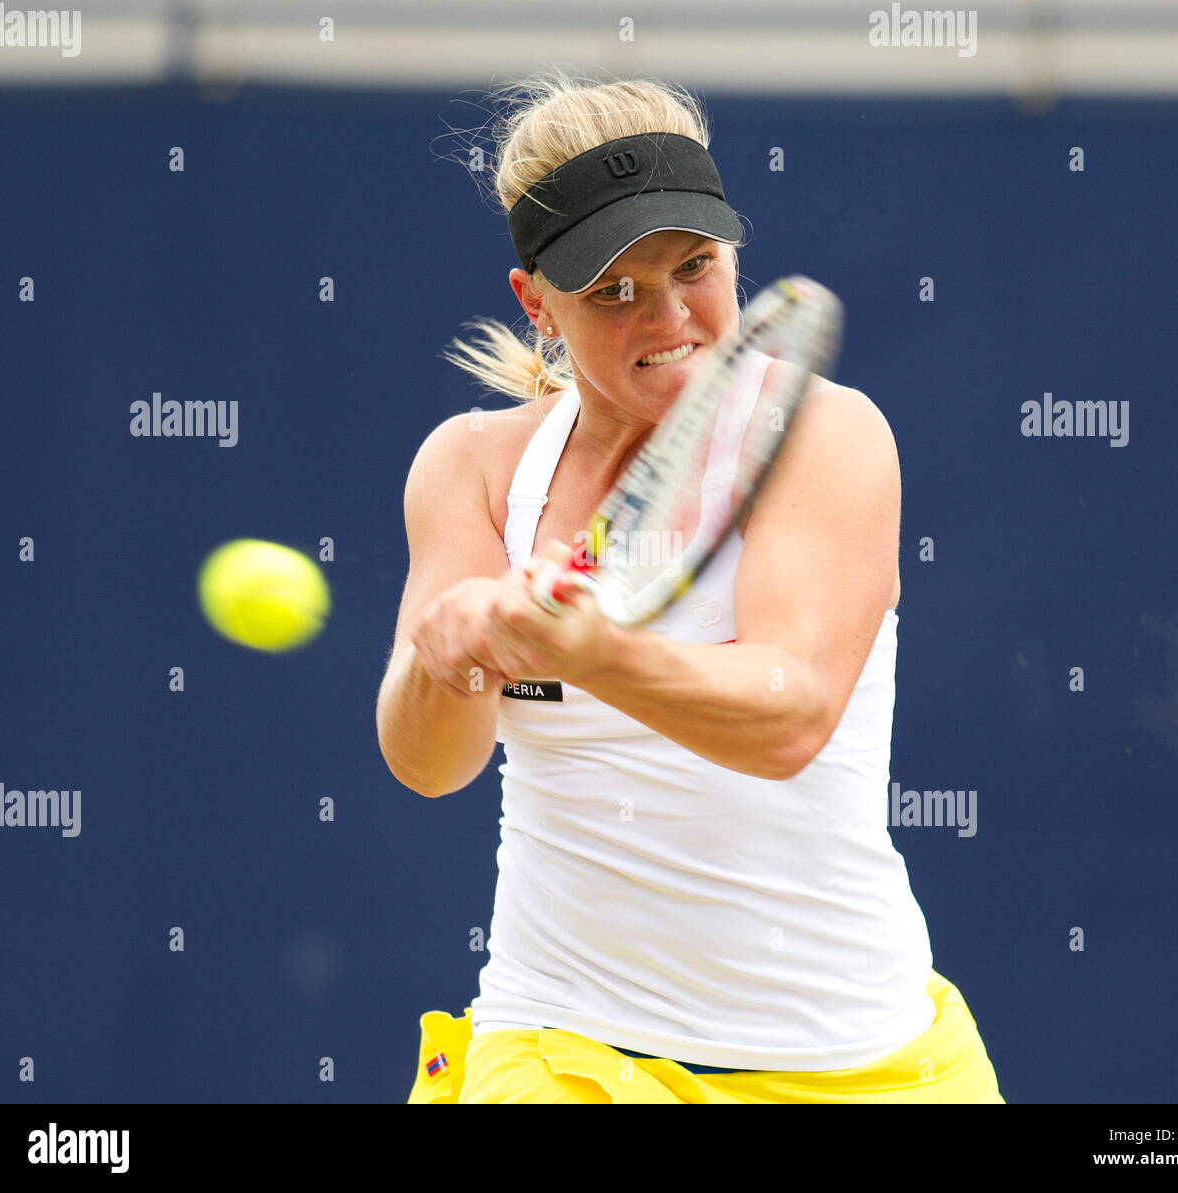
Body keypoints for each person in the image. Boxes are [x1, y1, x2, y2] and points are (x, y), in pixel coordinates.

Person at [377, 69, 1004, 1104]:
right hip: (559, 1043)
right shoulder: (472, 465)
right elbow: (428, 763)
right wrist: (448, 661)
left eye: (694, 267)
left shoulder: (825, 432)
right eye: (612, 288)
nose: (666, 316)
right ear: (535, 302)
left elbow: (789, 715)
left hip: (857, 1063)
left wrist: (595, 654)